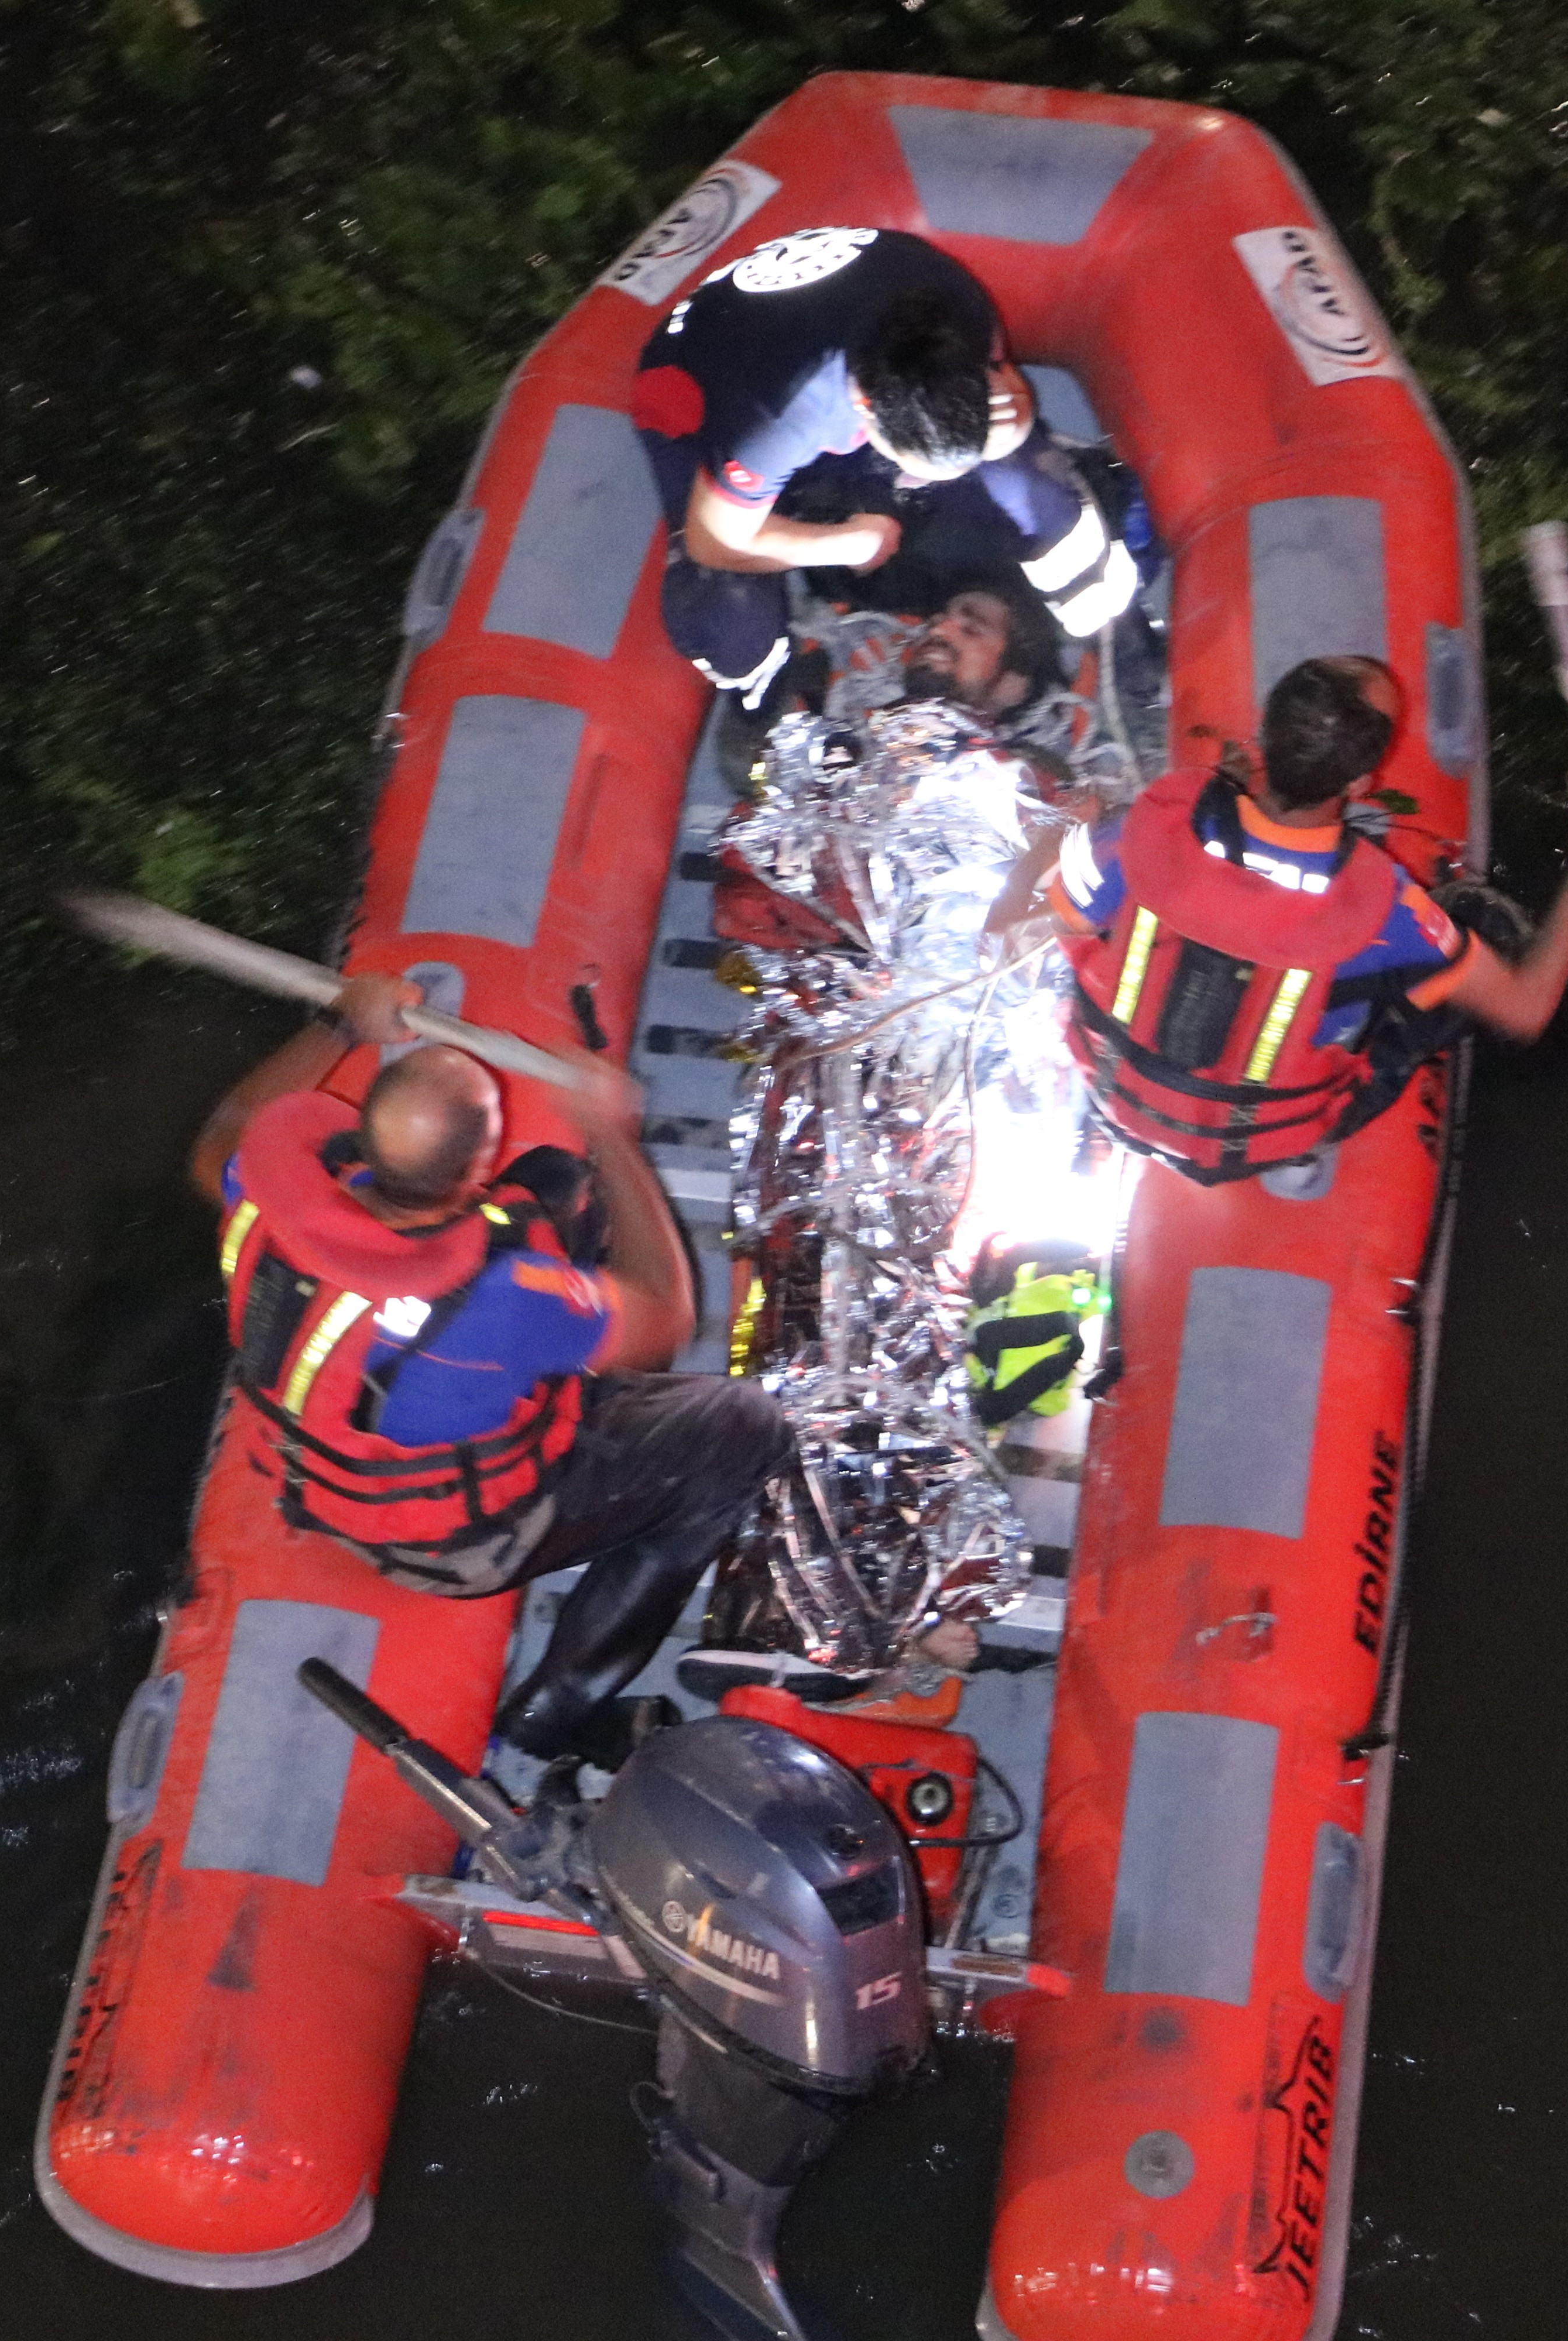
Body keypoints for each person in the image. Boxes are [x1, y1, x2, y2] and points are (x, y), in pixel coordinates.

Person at [187, 972, 789, 1763]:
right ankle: (558, 1711)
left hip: (328, 1479)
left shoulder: (264, 1197)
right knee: (748, 1428)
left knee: (557, 1186)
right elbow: (666, 1320)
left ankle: (547, 1365)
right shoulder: (502, 1298)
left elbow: (220, 1143)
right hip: (463, 1538)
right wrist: (612, 1135)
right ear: (471, 1177)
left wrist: (338, 1027)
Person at [1038, 654, 1568, 1186]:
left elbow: (1064, 923)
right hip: (1264, 1138)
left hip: (1117, 1100)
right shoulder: (1388, 910)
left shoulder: (1141, 831)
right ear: (1361, 783)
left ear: (1259, 739)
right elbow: (1528, 1007)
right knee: (1479, 920)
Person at [630, 225, 1137, 703]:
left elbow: (1007, 390)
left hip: (857, 345)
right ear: (865, 418)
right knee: (727, 613)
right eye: (917, 467)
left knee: (1031, 482)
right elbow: (714, 541)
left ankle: (1120, 632)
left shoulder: (956, 310)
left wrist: (1014, 423)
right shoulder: (783, 419)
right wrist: (846, 542)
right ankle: (762, 693)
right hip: (706, 401)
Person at [814, 576, 1137, 808]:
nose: (937, 630)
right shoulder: (850, 700)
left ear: (1015, 678)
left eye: (970, 629)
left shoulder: (1054, 776)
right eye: (936, 622)